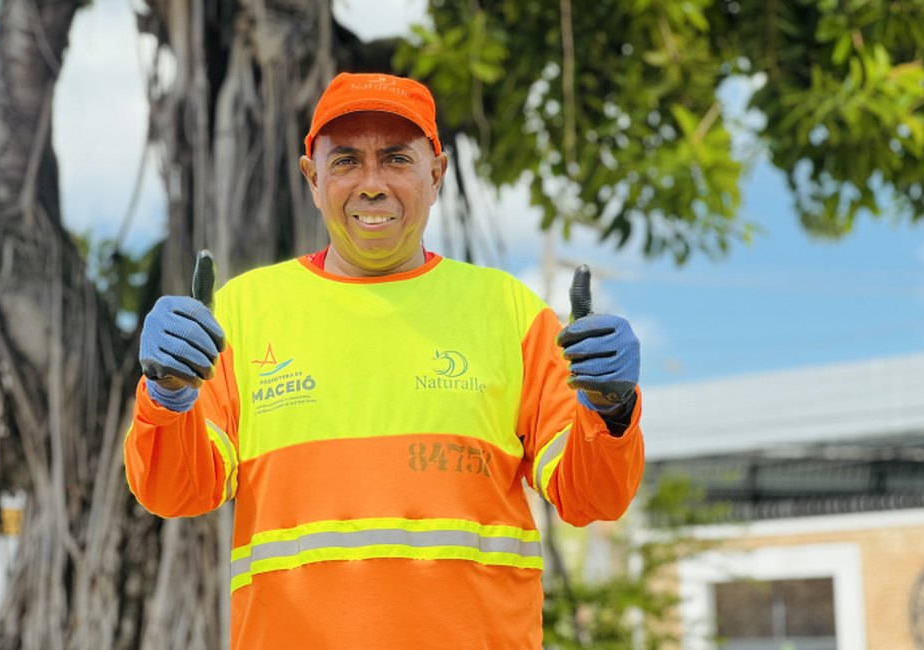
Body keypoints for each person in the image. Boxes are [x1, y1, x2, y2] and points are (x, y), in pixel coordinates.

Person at [124, 72, 645, 649]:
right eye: (346, 161)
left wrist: (611, 408)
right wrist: (168, 395)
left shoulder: (511, 313)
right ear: (313, 178)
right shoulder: (241, 314)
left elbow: (592, 497)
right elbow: (174, 492)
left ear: (437, 173)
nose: (371, 184)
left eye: (396, 158)